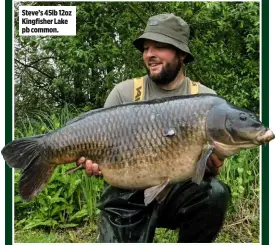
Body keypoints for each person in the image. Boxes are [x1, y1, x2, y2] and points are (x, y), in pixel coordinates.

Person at [77, 13, 231, 243]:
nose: (150, 54)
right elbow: (99, 152)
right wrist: (92, 163)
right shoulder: (124, 93)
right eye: (146, 48)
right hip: (126, 197)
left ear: (181, 53)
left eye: (160, 47)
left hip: (177, 194)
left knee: (215, 193)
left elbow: (208, 170)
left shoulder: (207, 100)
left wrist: (210, 167)